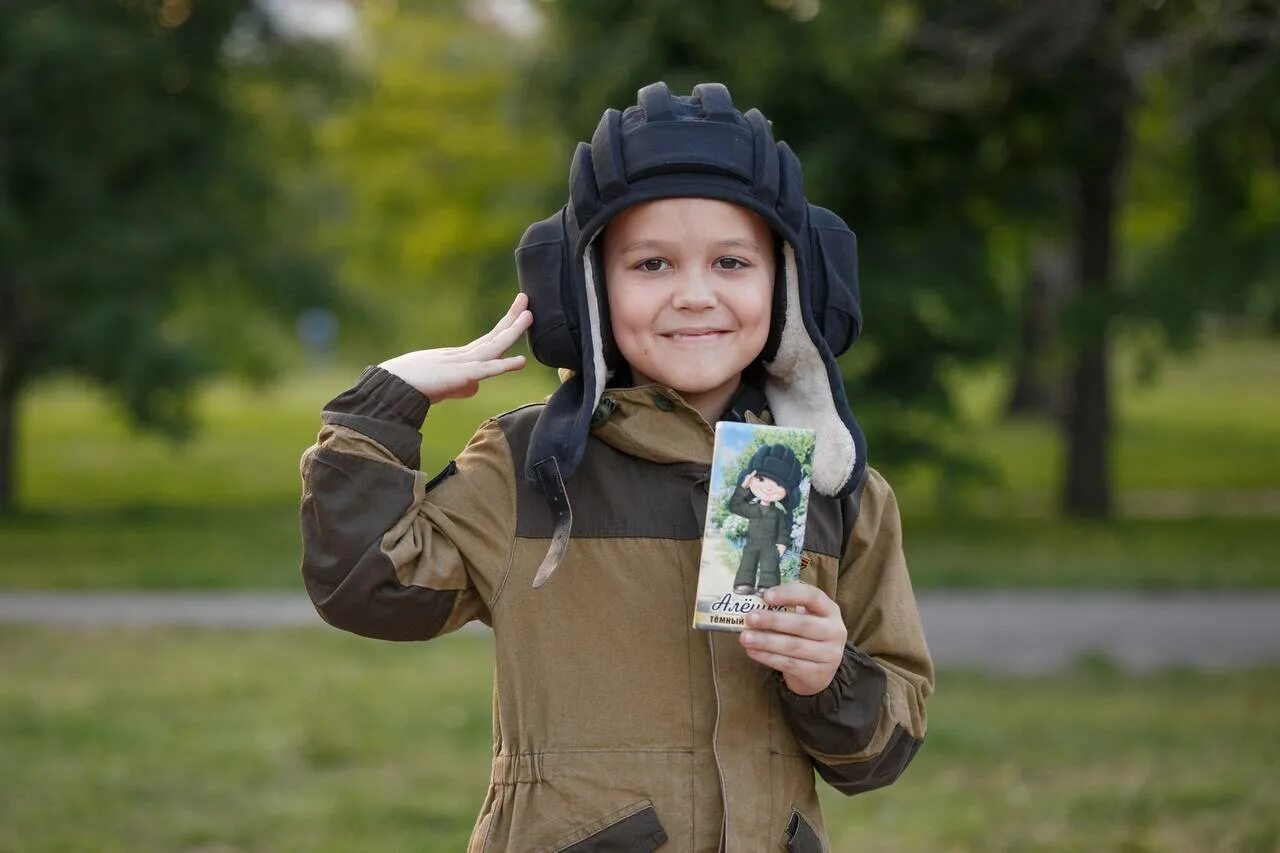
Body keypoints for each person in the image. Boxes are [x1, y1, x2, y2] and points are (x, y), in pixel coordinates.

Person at [299, 82, 934, 853]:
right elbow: (365, 589)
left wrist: (829, 673)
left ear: (792, 284)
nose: (694, 295)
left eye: (732, 261)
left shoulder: (840, 490)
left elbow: (882, 751)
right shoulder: (528, 468)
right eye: (653, 263)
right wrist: (380, 412)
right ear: (588, 289)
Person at [728, 444, 804, 595]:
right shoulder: (752, 509)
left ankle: (768, 587)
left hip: (770, 547)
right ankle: (744, 583)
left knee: (770, 567)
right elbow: (735, 506)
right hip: (752, 544)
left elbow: (783, 530)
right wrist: (743, 486)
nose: (769, 488)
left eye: (779, 484)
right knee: (747, 565)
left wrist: (782, 544)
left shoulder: (778, 513)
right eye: (761, 479)